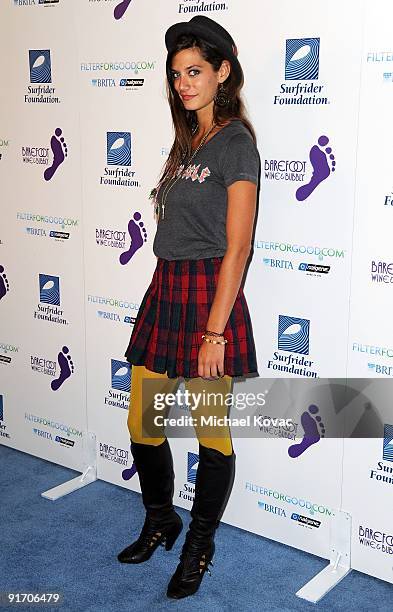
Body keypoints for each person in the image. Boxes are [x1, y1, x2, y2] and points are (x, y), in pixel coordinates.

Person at [117, 15, 260, 600]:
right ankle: (161, 518)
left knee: (211, 431)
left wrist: (214, 333)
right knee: (142, 421)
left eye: (195, 71)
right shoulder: (187, 142)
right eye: (177, 74)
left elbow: (239, 245)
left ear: (223, 72)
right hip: (166, 288)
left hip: (208, 296)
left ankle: (200, 544)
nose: (184, 82)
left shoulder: (236, 144)